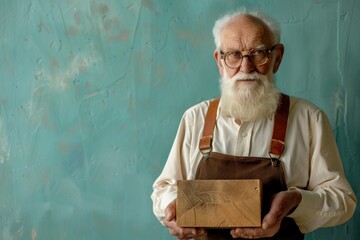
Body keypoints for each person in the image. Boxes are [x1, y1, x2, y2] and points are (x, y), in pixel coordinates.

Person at [151, 7, 357, 240]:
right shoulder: (194, 118)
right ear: (220, 61)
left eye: (258, 53)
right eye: (234, 55)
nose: (246, 68)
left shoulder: (309, 119)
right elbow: (163, 188)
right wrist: (173, 210)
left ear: (277, 58)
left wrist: (296, 200)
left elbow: (343, 201)